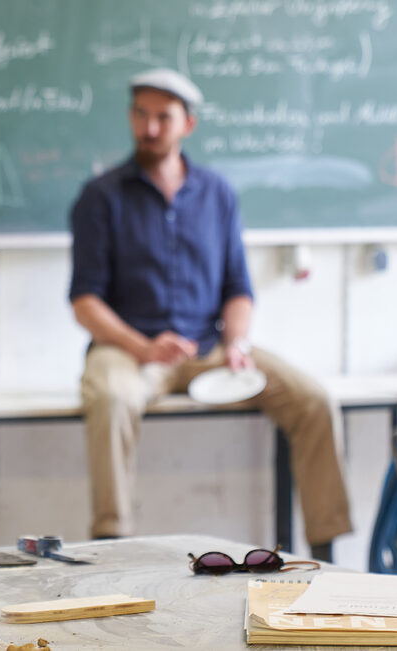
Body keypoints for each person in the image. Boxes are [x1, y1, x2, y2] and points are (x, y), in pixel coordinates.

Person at [67, 68, 351, 559]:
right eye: (141, 114)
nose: (150, 127)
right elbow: (85, 302)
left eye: (163, 117)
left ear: (188, 125)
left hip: (211, 348)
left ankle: (326, 550)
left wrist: (237, 344)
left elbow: (239, 290)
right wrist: (143, 347)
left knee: (313, 399)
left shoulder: (218, 194)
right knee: (111, 399)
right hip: (130, 351)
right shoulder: (101, 197)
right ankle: (111, 546)